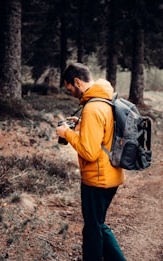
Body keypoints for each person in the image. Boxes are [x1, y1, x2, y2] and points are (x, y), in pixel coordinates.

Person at [56, 63, 126, 261]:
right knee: (97, 224)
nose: (70, 93)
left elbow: (89, 152)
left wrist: (67, 133)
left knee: (94, 229)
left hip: (97, 178)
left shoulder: (92, 108)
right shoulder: (104, 99)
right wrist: (80, 126)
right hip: (110, 173)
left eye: (70, 88)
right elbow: (103, 134)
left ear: (77, 81)